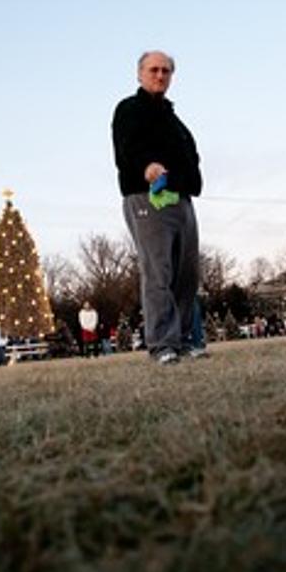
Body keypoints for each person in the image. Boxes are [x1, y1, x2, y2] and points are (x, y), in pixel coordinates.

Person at [113, 50, 203, 365]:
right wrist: (146, 166)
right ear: (140, 74)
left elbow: (192, 155)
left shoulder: (175, 120)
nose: (160, 75)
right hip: (147, 197)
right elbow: (127, 148)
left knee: (186, 272)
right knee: (158, 270)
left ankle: (185, 340)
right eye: (153, 69)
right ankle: (162, 344)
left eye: (166, 71)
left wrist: (192, 181)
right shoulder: (129, 110)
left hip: (182, 200)